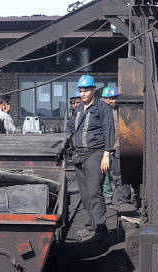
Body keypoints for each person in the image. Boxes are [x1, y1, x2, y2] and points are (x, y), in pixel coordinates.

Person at [64, 75, 115, 243]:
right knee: (84, 194)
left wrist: (106, 155)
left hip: (96, 154)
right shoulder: (79, 109)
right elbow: (70, 127)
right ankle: (89, 226)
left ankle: (101, 229)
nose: (83, 93)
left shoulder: (102, 107)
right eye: (81, 90)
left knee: (94, 192)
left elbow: (108, 130)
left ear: (94, 90)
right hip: (80, 155)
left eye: (86, 90)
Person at [102, 86, 131, 206]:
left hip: (118, 147)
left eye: (113, 98)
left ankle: (123, 198)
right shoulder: (101, 112)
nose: (110, 101)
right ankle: (108, 196)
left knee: (119, 175)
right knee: (106, 174)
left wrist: (116, 147)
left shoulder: (121, 112)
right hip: (105, 148)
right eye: (107, 98)